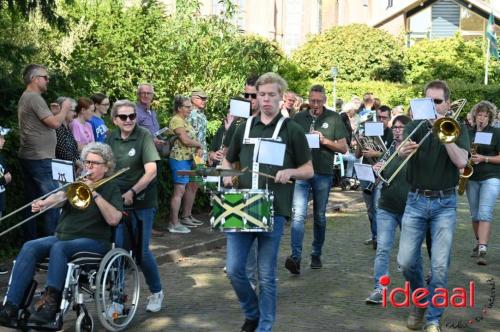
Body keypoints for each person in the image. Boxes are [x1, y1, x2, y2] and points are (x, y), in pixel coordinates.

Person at [222, 72, 314, 332]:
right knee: (234, 269)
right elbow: (228, 160)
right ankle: (252, 313)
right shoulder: (244, 127)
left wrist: (291, 172)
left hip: (274, 209)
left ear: (281, 98)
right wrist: (228, 176)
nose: (265, 100)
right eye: (261, 94)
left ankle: (264, 327)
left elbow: (308, 170)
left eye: (271, 95)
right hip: (242, 205)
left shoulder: (291, 130)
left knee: (266, 275)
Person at [0, 142, 123, 325]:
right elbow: (58, 197)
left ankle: (51, 305)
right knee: (30, 246)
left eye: (95, 163)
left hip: (95, 241)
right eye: (87, 162)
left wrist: (95, 194)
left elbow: (114, 219)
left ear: (106, 167)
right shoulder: (77, 183)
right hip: (63, 237)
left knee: (60, 247)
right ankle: (11, 306)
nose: (89, 166)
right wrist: (44, 203)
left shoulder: (112, 187)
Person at [397, 80, 469, 332]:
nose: (433, 106)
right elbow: (401, 152)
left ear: (447, 104)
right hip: (416, 200)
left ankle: (433, 319)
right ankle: (420, 300)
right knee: (405, 262)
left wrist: (445, 135)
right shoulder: (415, 125)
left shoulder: (457, 127)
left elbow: (462, 162)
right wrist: (402, 150)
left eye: (437, 102)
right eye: (428, 102)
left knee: (439, 265)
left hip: (445, 203)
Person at [105, 100, 164, 312]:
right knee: (119, 249)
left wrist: (132, 192)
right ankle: (118, 299)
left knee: (141, 251)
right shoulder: (110, 138)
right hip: (117, 203)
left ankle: (156, 291)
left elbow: (151, 171)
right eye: (123, 117)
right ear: (115, 120)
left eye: (132, 116)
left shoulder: (144, 136)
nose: (129, 120)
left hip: (142, 203)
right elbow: (104, 168)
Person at [285, 84, 348, 274]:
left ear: (325, 100)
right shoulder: (298, 118)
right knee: (298, 215)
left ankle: (316, 253)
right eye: (312, 100)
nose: (315, 104)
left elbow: (344, 148)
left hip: (323, 172)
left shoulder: (333, 118)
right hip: (302, 171)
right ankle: (295, 257)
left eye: (319, 101)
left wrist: (324, 141)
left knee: (320, 215)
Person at [18, 64, 72, 241]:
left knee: (32, 204)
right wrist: (65, 108)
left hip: (32, 156)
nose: (48, 80)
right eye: (45, 77)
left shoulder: (30, 97)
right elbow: (55, 124)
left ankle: (31, 245)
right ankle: (52, 246)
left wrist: (56, 113)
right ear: (35, 79)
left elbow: (50, 121)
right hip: (40, 158)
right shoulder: (34, 97)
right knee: (53, 200)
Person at [365, 115, 411, 304]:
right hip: (386, 206)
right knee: (383, 249)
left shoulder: (414, 149)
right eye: (395, 127)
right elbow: (383, 175)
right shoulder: (389, 148)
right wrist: (376, 169)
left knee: (408, 254)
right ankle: (380, 289)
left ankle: (414, 288)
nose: (397, 130)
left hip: (409, 206)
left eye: (401, 127)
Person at [465, 101, 500, 265]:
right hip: (472, 177)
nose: (482, 118)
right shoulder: (468, 132)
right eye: (479, 115)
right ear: (474, 116)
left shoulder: (496, 132)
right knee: (475, 214)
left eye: (486, 116)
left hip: (491, 176)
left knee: (485, 212)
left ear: (490, 118)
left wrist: (485, 158)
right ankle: (479, 242)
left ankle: (483, 247)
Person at [355, 105, 393, 249]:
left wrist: (376, 154)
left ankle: (379, 238)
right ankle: (374, 234)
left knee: (378, 207)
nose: (381, 120)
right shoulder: (369, 130)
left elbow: (392, 154)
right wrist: (360, 141)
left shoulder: (391, 133)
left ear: (389, 119)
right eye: (379, 117)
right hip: (366, 172)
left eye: (384, 118)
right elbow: (357, 155)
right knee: (370, 207)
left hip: (382, 174)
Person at [168, 95, 204, 233]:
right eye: (187, 107)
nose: (190, 109)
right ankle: (173, 223)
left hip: (187, 159)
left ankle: (182, 219)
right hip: (179, 159)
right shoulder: (176, 120)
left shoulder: (184, 120)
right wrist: (199, 144)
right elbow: (185, 140)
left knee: (184, 189)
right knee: (179, 191)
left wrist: (198, 148)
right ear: (179, 108)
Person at [179, 88, 209, 227]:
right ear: (193, 99)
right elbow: (190, 135)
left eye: (205, 99)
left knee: (195, 185)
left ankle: (188, 215)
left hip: (200, 155)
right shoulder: (191, 115)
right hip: (193, 154)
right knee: (191, 185)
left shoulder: (201, 115)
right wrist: (196, 153)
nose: (204, 101)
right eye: (201, 98)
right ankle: (185, 216)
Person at [54, 97, 82, 173]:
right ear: (63, 110)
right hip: (62, 171)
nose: (75, 113)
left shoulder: (67, 128)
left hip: (70, 170)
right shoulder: (58, 128)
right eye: (73, 110)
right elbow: (62, 151)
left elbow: (73, 150)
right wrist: (78, 163)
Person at [0, 126, 13, 275]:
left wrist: (5, 179)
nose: (4, 140)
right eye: (2, 137)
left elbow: (7, 174)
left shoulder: (1, 156)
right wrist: (4, 179)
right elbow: (6, 177)